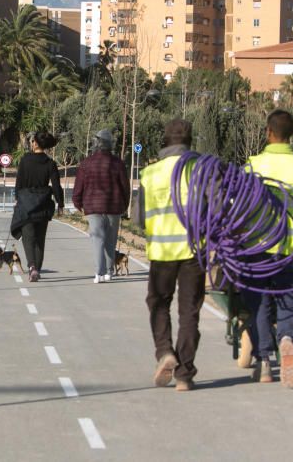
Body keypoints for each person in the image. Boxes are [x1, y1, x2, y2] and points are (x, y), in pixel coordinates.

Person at [241, 110, 293, 387]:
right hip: (291, 247)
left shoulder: (252, 166)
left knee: (260, 302)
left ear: (268, 132)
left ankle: (264, 362)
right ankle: (286, 337)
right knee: (288, 298)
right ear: (292, 134)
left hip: (257, 247)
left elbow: (241, 210)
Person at [134, 119, 204, 392]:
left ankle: (165, 352)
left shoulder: (151, 173)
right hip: (194, 252)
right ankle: (185, 375)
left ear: (165, 140)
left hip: (162, 252)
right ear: (190, 141)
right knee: (189, 311)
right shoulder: (202, 171)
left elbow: (138, 219)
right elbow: (218, 210)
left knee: (158, 302)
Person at [73, 129, 131, 283]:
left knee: (97, 239)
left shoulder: (86, 163)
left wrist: (78, 204)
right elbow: (125, 187)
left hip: (93, 207)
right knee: (111, 241)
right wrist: (125, 205)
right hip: (114, 207)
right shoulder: (118, 163)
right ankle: (109, 272)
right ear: (110, 144)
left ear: (96, 143)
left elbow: (79, 187)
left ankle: (99, 273)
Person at [9, 131, 65, 282]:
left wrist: (17, 199)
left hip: (26, 205)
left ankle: (32, 267)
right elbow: (56, 186)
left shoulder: (25, 160)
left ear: (35, 143)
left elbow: (19, 183)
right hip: (43, 204)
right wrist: (60, 204)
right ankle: (37, 270)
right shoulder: (50, 163)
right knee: (40, 239)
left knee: (28, 238)